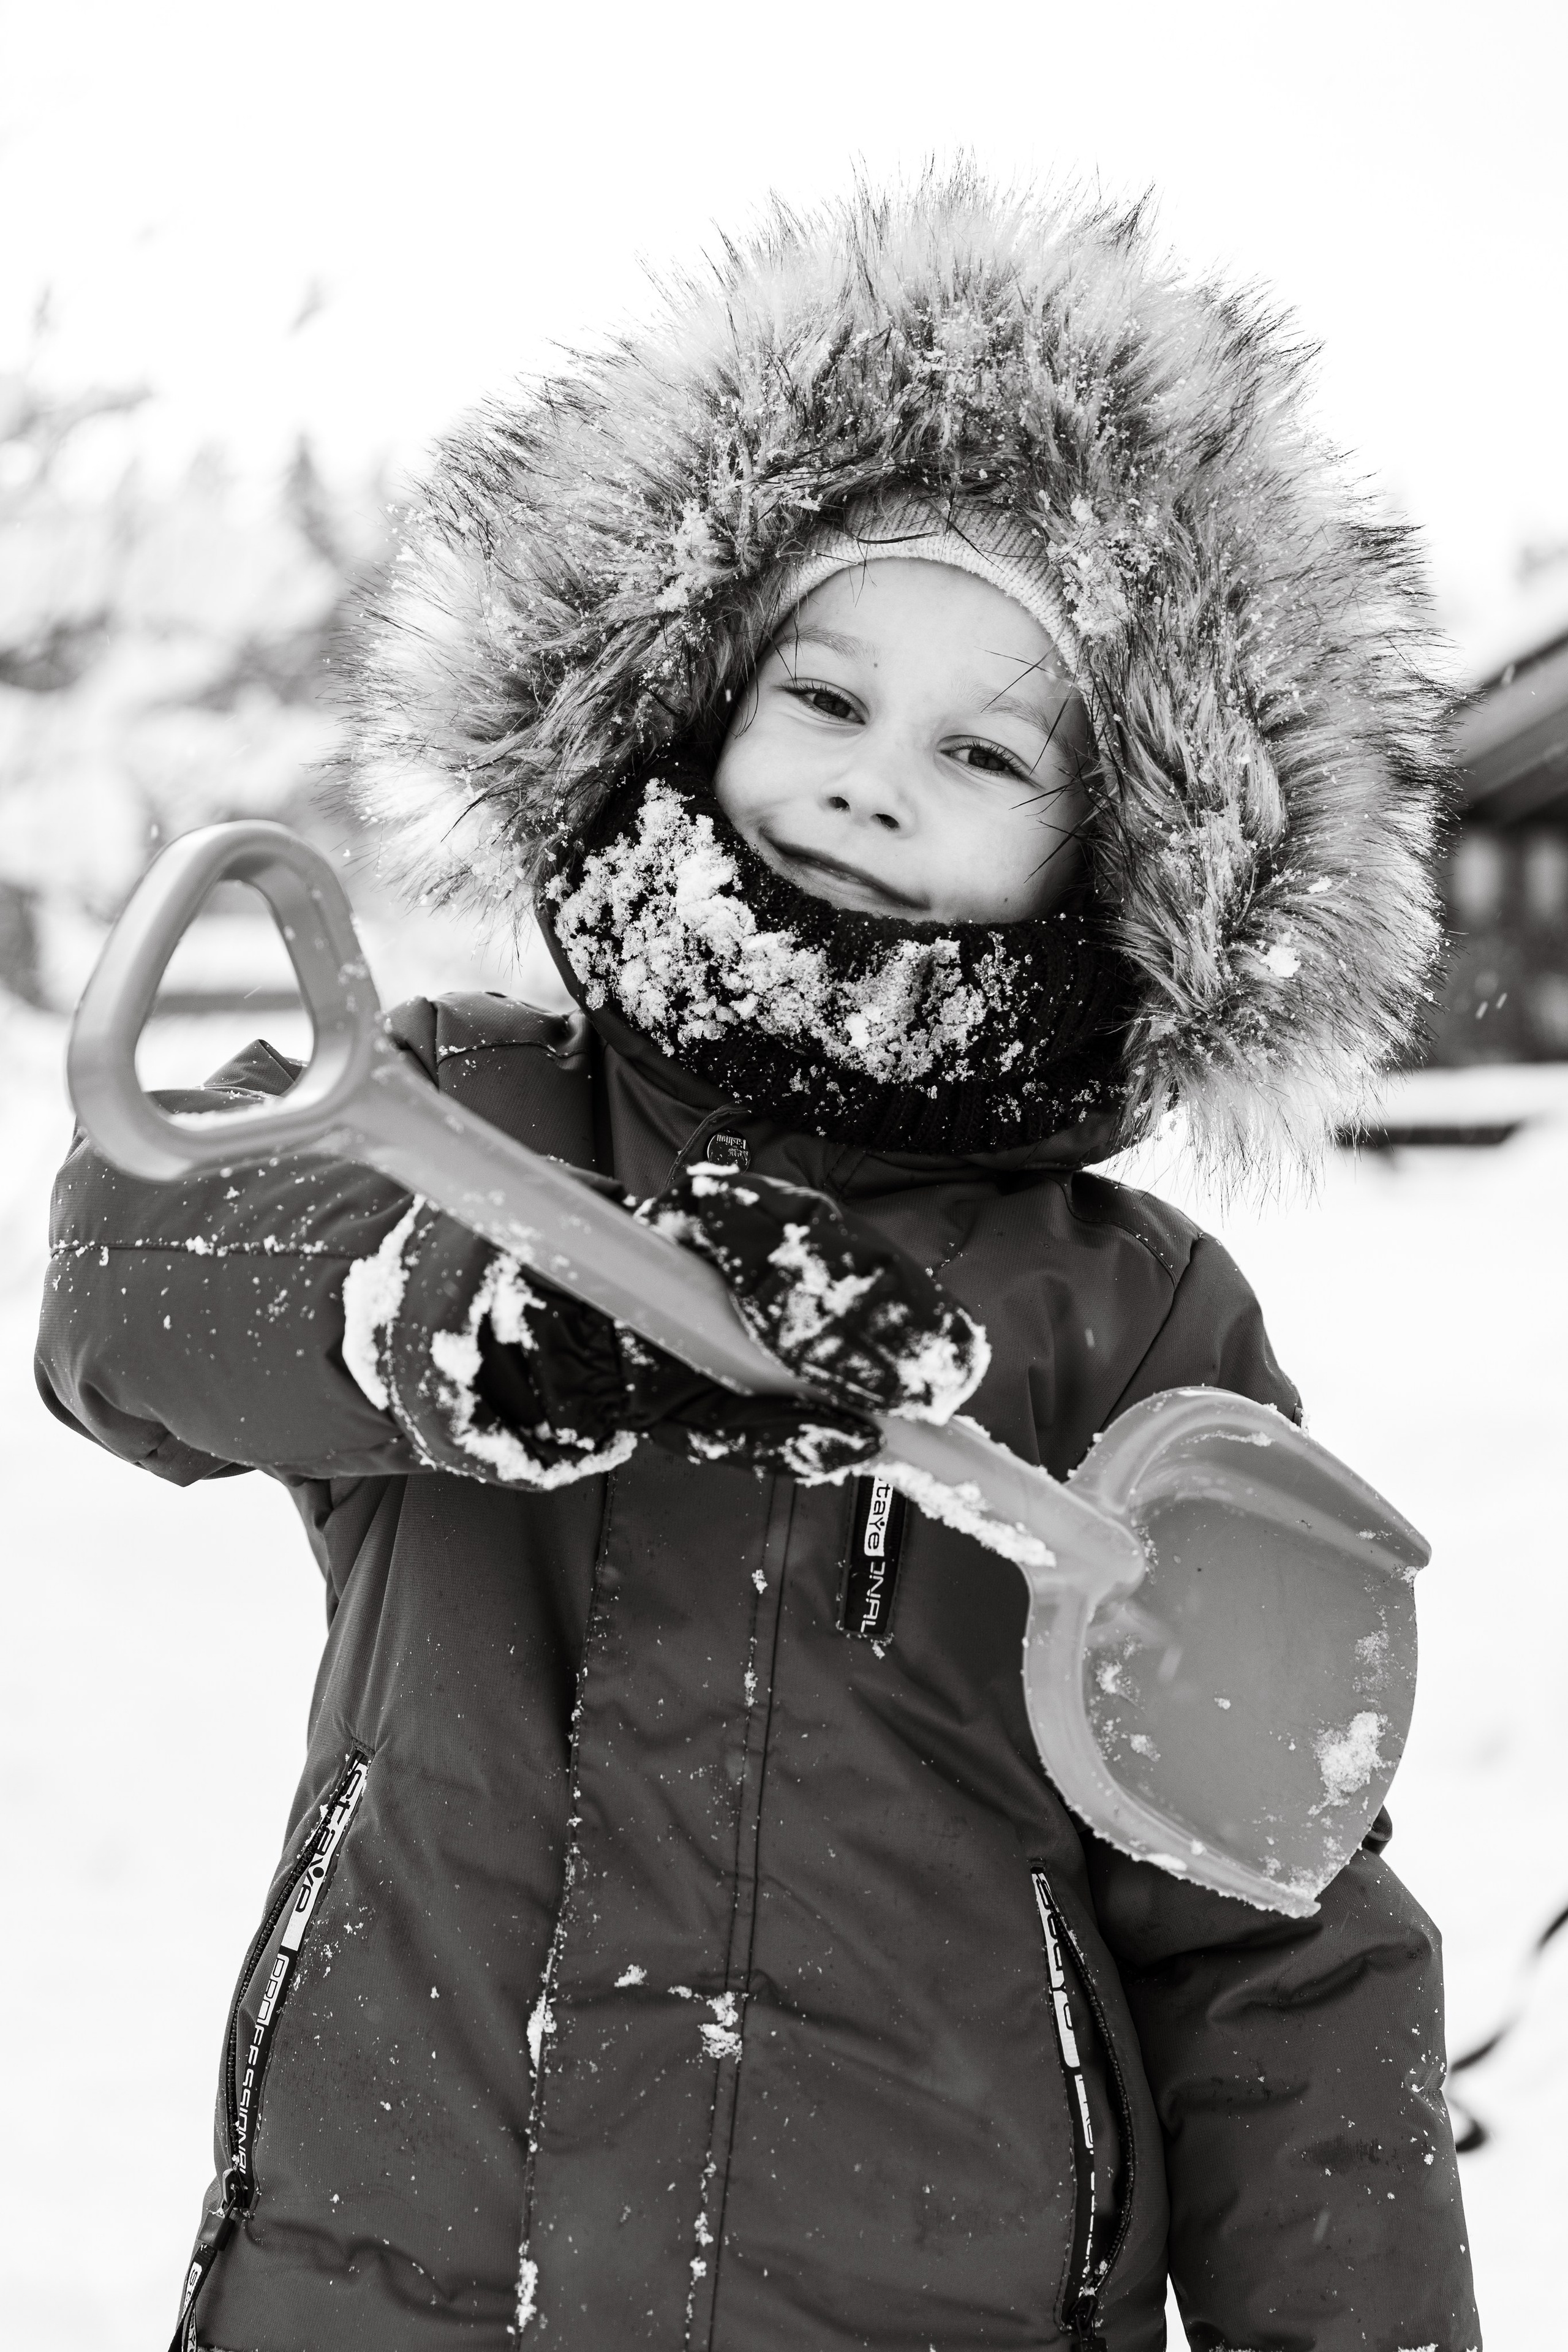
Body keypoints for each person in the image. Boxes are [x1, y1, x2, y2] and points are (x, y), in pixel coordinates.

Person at [37, 174, 1480, 2352]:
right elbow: (133, 1282)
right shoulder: (474, 1125)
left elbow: (1274, 1928)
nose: (877, 783)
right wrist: (448, 1321)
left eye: (984, 748)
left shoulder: (1132, 1322)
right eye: (824, 693)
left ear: (1115, 847)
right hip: (407, 2281)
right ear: (696, 701)